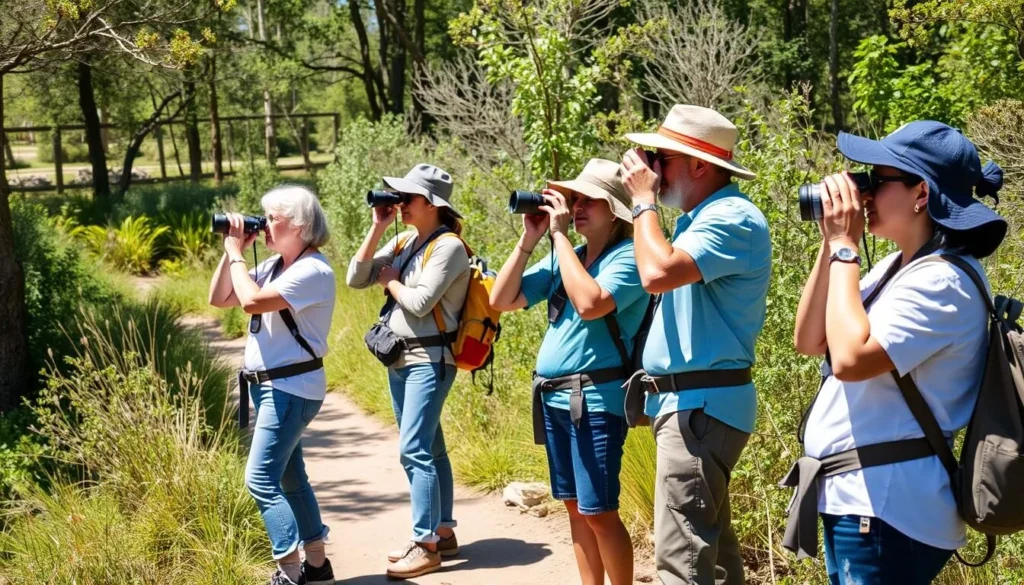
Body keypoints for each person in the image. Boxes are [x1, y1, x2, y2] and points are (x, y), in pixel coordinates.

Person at [787, 121, 1007, 584]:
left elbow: (849, 360)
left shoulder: (943, 282)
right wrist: (833, 245)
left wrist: (847, 247)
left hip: (887, 507)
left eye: (877, 180)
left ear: (920, 194)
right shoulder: (900, 267)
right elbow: (810, 340)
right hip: (860, 499)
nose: (863, 193)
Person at [618, 104, 772, 585]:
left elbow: (655, 274)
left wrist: (644, 202)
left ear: (700, 166)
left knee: (681, 565)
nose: (652, 169)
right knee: (716, 564)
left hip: (700, 408)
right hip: (694, 406)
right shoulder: (696, 220)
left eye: (661, 158)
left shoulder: (732, 217)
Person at [489, 158, 650, 585]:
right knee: (575, 508)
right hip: (555, 399)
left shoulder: (630, 257)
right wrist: (529, 241)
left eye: (587, 201)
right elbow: (501, 300)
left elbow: (590, 303)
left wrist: (558, 235)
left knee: (599, 512)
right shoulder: (570, 255)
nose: (576, 207)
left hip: (596, 401)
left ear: (613, 210)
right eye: (572, 199)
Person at [346, 163, 470, 579]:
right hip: (399, 359)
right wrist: (377, 229)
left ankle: (425, 544)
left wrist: (393, 281)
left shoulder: (449, 246)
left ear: (432, 204)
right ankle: (444, 531)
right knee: (431, 448)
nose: (399, 204)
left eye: (408, 198)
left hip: (429, 362)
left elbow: (419, 303)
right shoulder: (403, 239)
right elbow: (355, 277)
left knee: (413, 450)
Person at [208, 185, 336, 585]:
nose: (263, 226)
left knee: (260, 479)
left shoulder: (313, 271)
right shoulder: (279, 264)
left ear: (298, 225)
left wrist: (235, 254)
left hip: (291, 390)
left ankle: (289, 571)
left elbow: (251, 303)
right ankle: (317, 567)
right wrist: (234, 252)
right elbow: (221, 297)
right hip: (271, 389)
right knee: (291, 478)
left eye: (271, 219)